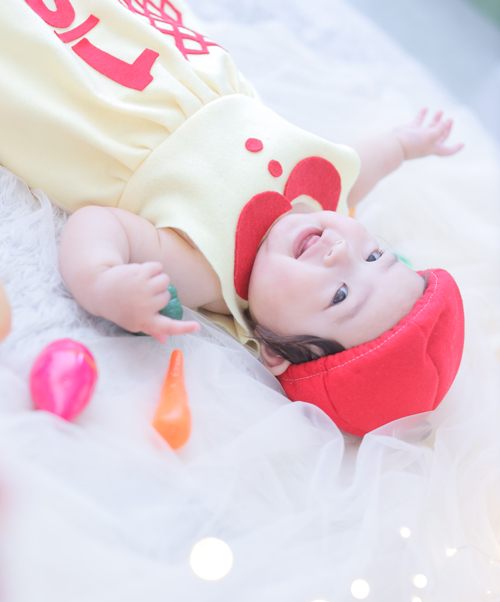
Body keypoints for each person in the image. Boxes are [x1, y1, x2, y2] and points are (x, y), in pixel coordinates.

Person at [0, 0, 465, 435]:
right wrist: (402, 145)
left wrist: (102, 282)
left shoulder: (210, 271)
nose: (341, 250)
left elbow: (100, 224)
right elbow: (358, 172)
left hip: (95, 96)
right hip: (169, 57)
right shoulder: (325, 202)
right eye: (374, 255)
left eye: (340, 295)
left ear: (275, 352)